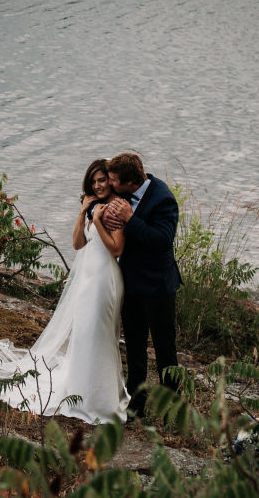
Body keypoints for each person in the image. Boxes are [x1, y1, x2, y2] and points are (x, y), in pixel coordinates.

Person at [0, 159, 130, 423]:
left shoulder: (114, 207)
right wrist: (84, 212)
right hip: (87, 280)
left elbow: (116, 249)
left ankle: (101, 399)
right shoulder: (92, 206)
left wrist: (98, 220)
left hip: (105, 279)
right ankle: (81, 390)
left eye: (102, 180)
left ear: (111, 180)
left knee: (100, 334)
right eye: (93, 182)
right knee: (84, 334)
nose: (98, 185)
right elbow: (78, 243)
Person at [99, 152, 181, 419]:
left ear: (130, 182)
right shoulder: (120, 193)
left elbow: (162, 240)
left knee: (165, 352)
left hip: (158, 288)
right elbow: (92, 199)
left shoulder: (163, 198)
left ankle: (172, 409)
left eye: (113, 179)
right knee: (135, 349)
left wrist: (131, 219)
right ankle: (136, 405)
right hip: (131, 285)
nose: (109, 183)